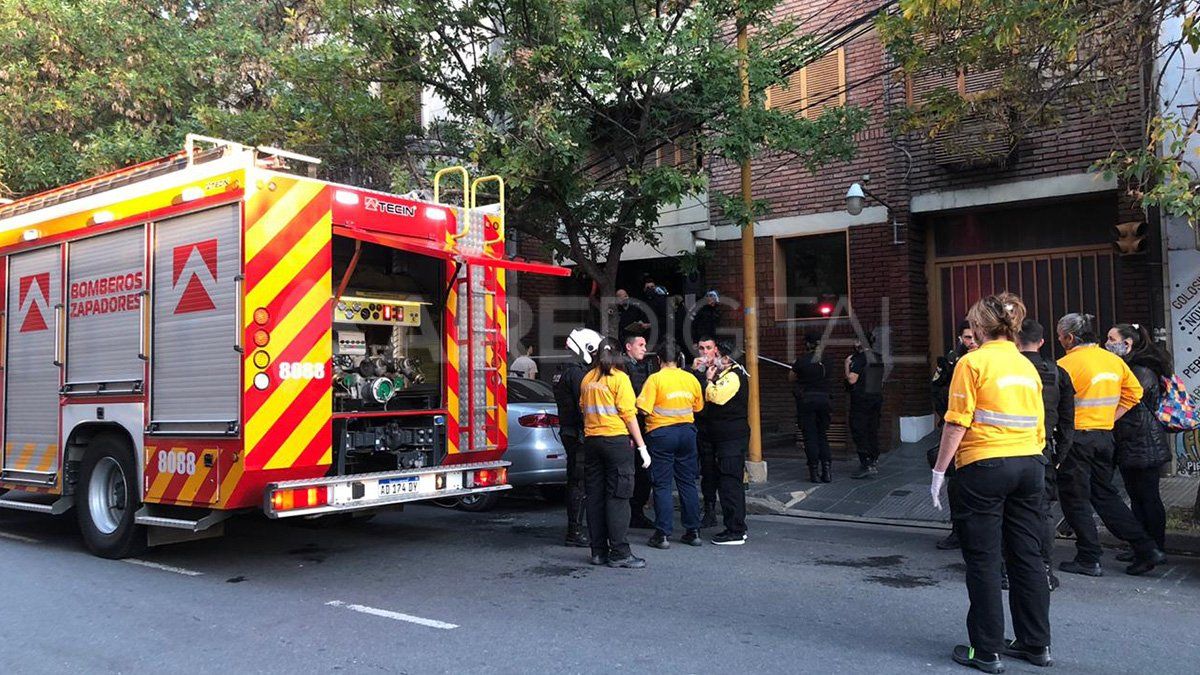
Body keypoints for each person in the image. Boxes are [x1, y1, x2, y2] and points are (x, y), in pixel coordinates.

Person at [930, 293, 1052, 673]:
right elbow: (1038, 421)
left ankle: (986, 650)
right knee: (1027, 556)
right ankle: (1036, 645)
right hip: (1030, 465)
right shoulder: (1027, 364)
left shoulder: (972, 362)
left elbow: (956, 421)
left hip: (984, 467)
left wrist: (938, 473)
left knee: (983, 561)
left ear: (980, 328)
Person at [1056, 313, 1166, 577]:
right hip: (1105, 438)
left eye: (1061, 336)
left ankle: (1088, 557)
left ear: (1070, 337)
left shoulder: (1065, 365)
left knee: (1075, 498)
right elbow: (1134, 394)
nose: (1060, 341)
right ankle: (1146, 547)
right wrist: (1108, 417)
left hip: (1077, 440)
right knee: (1104, 495)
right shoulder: (1113, 362)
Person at [580, 337, 650, 568]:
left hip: (592, 442)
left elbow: (583, 408)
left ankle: (598, 552)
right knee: (619, 498)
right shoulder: (620, 379)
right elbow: (629, 415)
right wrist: (642, 447)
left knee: (595, 497)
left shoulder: (588, 379)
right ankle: (619, 552)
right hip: (616, 443)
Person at [1016, 319, 1075, 592]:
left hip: (1008, 447)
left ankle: (1009, 568)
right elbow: (1067, 420)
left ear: (1016, 341)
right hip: (1043, 449)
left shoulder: (1005, 369)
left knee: (1009, 510)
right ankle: (1044, 568)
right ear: (1041, 342)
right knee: (1041, 511)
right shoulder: (1057, 372)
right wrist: (1059, 453)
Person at [1107, 323, 1172, 557]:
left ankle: (1154, 547)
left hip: (1143, 443)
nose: (1108, 343)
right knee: (1137, 497)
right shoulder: (1132, 367)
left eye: (1111, 338)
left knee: (1148, 498)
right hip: (1134, 442)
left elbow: (1129, 400)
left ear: (1127, 343)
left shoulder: (1140, 370)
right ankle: (1143, 547)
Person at [636, 339, 705, 549]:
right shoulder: (691, 378)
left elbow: (642, 409)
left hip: (661, 435)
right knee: (687, 483)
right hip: (687, 433)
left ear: (658, 360)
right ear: (680, 359)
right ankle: (693, 531)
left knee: (663, 484)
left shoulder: (655, 380)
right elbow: (698, 407)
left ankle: (663, 534)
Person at [932, 321, 980, 550]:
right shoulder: (953, 361)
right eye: (967, 337)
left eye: (973, 337)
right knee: (956, 486)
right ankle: (958, 531)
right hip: (956, 430)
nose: (970, 342)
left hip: (981, 436)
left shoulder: (983, 361)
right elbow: (936, 390)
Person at [553, 328, 601, 548]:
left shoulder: (566, 370)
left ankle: (577, 528)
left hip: (571, 431)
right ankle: (575, 530)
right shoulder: (577, 374)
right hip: (578, 433)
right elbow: (586, 405)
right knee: (579, 481)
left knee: (577, 480)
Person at [701, 339, 750, 545]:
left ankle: (735, 530)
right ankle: (734, 526)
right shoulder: (728, 374)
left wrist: (709, 381)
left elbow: (717, 397)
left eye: (718, 354)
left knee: (730, 482)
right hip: (724, 438)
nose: (714, 358)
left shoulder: (733, 376)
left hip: (731, 438)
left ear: (727, 358)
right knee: (727, 481)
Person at [623, 334, 657, 530]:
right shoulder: (626, 368)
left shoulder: (639, 366)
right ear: (629, 346)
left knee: (641, 473)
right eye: (640, 345)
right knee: (638, 473)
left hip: (639, 427)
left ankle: (635, 512)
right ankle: (633, 513)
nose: (644, 348)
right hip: (633, 428)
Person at [790, 332, 832, 483]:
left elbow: (791, 377)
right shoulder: (827, 360)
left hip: (807, 401)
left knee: (810, 436)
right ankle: (827, 470)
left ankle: (814, 471)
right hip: (824, 400)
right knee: (822, 434)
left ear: (807, 344)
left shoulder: (802, 361)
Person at [846, 331, 885, 479]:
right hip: (875, 398)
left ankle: (865, 463)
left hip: (861, 399)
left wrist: (847, 365)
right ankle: (873, 459)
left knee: (859, 429)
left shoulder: (859, 358)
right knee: (872, 429)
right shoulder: (878, 357)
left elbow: (851, 380)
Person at [692, 336, 721, 527]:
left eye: (708, 348)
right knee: (708, 470)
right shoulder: (696, 371)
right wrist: (695, 371)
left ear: (715, 349)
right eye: (701, 348)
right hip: (702, 426)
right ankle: (709, 510)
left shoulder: (723, 368)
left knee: (722, 470)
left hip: (721, 425)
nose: (704, 352)